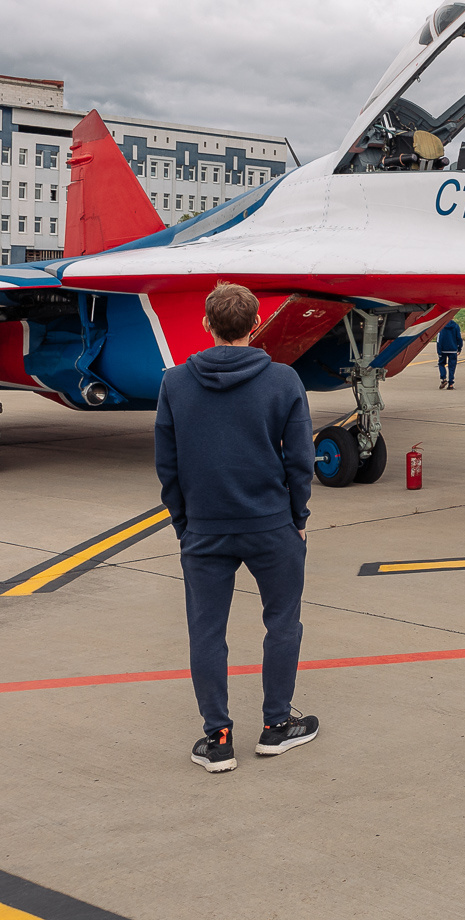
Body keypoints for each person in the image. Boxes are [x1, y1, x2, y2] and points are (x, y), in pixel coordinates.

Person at [155, 282, 319, 774]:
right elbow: (300, 462)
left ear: (206, 324)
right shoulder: (284, 380)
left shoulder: (175, 382)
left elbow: (168, 465)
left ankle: (218, 736)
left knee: (206, 631)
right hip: (271, 525)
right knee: (282, 622)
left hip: (205, 528)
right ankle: (275, 727)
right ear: (257, 323)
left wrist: (185, 523)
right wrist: (298, 518)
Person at [436, 317, 462, 390]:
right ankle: (451, 383)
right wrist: (459, 348)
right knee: (452, 366)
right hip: (453, 349)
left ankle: (443, 378)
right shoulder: (456, 326)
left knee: (441, 364)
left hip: (443, 349)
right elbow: (459, 338)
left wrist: (439, 350)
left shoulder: (441, 326)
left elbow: (439, 340)